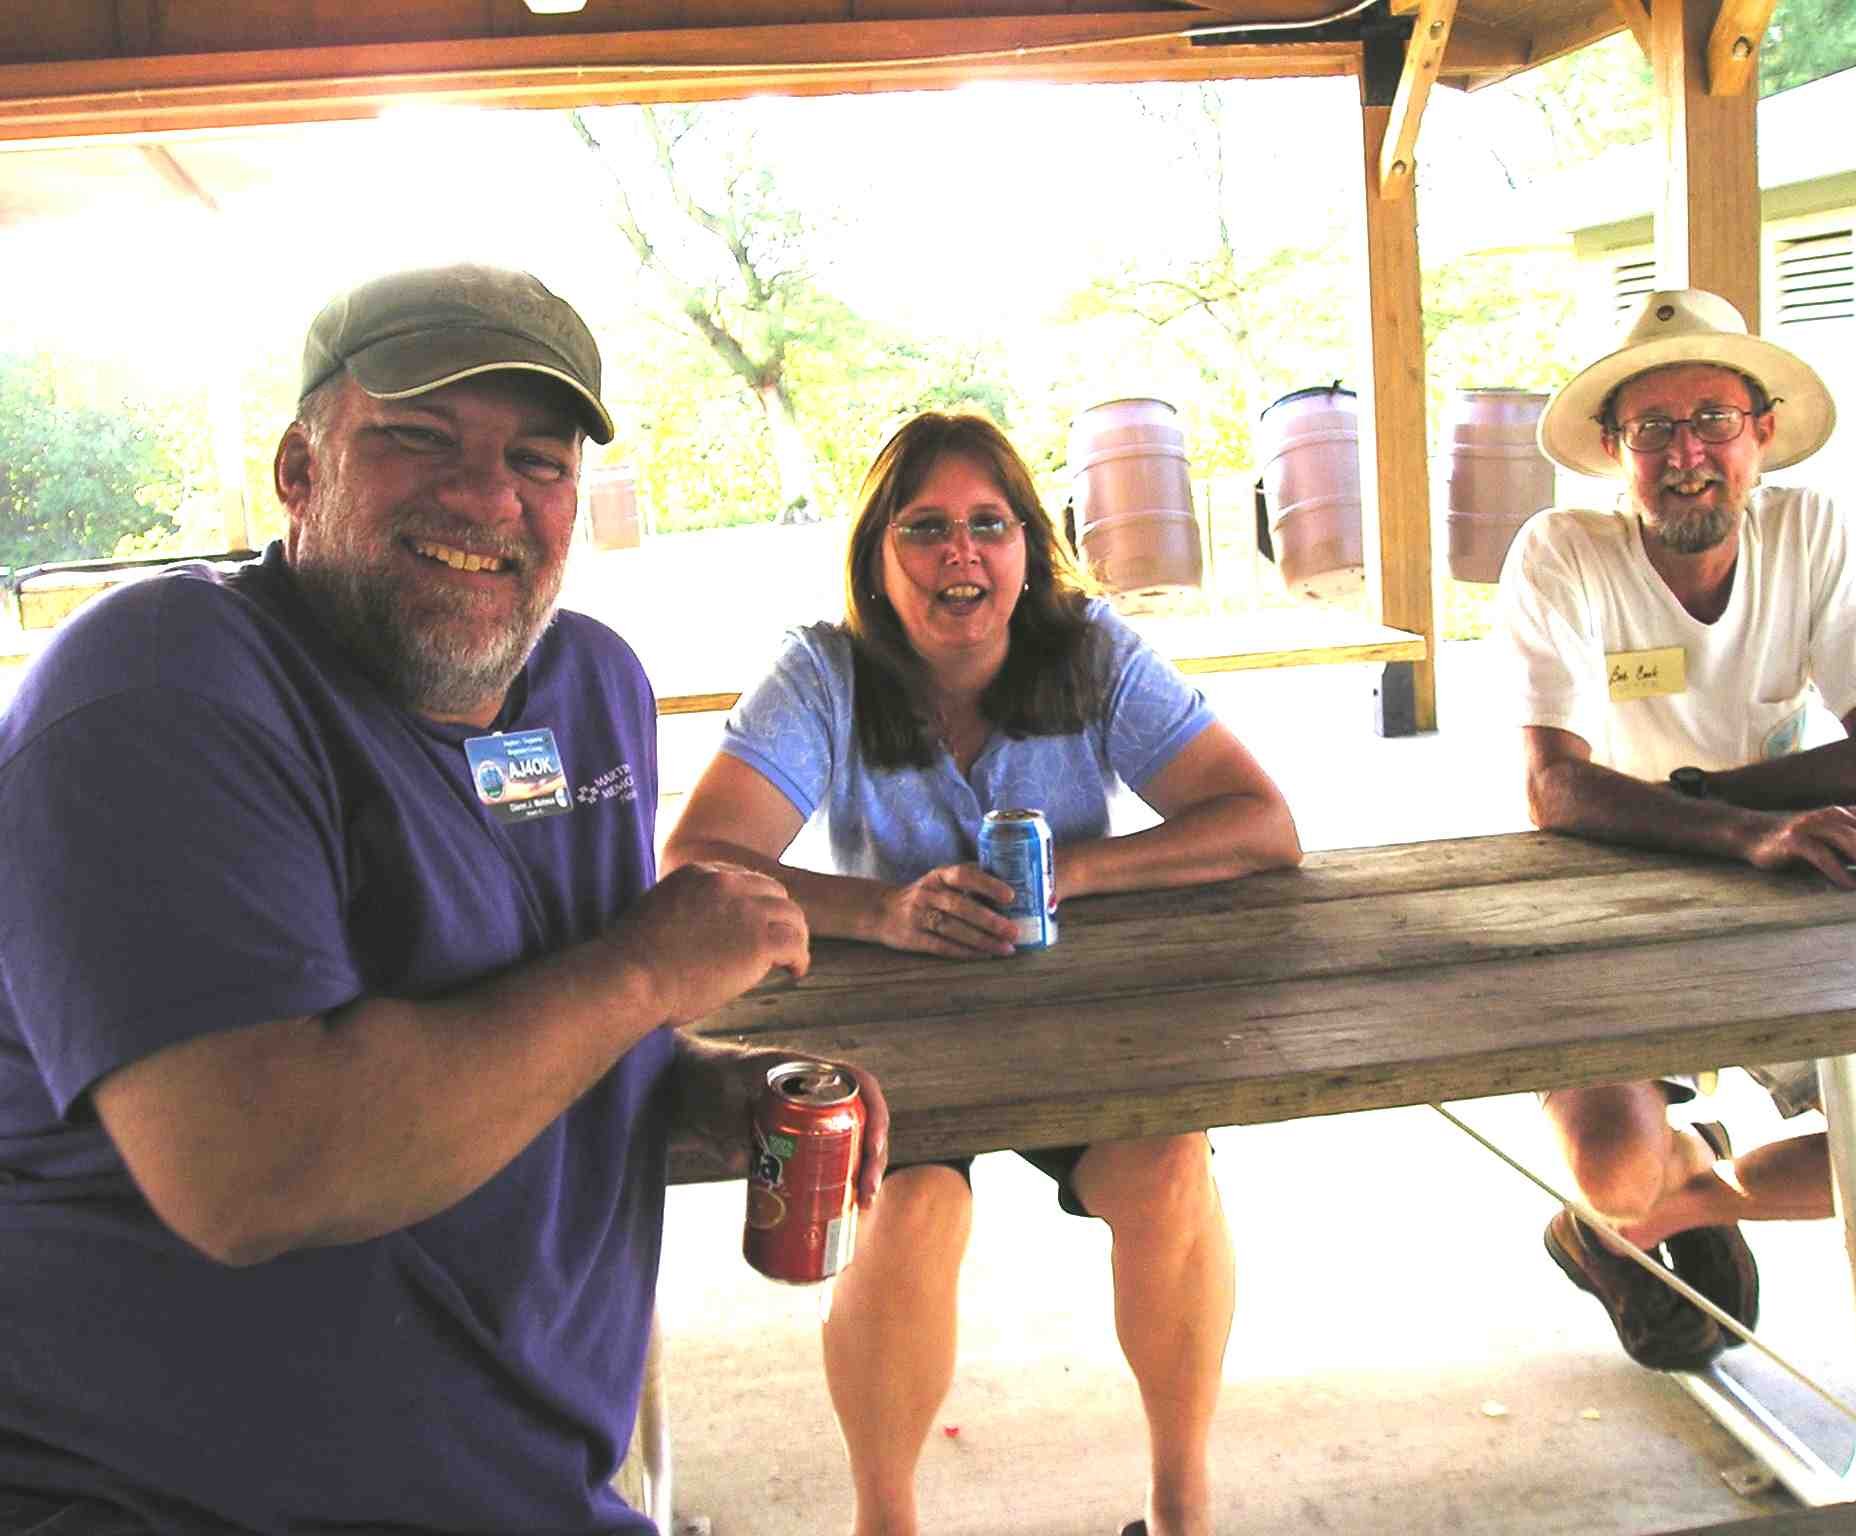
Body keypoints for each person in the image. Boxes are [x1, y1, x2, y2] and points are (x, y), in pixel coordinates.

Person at [0, 263, 885, 1534]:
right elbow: (258, 1168)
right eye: (416, 439)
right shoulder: (161, 685)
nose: (486, 496)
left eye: (538, 460)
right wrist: (647, 970)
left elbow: (530, 1017)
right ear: (298, 471)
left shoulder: (590, 687)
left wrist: (696, 1079)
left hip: (529, 1490)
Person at [665, 411, 1301, 1536]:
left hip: (1084, 1016)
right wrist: (880, 911)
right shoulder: (824, 673)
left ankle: (1180, 1504)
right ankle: (886, 1521)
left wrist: (1075, 874)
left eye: (989, 525)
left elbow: (1262, 824)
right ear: (876, 558)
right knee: (906, 1208)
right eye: (924, 528)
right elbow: (697, 861)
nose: (960, 553)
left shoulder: (1091, 652)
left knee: (1167, 1165)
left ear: (1028, 549)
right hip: (900, 1031)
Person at [1496, 288, 1856, 1373]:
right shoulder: (1560, 551)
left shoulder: (1810, 532)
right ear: (1612, 449)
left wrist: (1705, 806)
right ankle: (1634, 1192)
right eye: (1652, 428)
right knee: (1614, 1167)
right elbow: (1555, 790)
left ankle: (1664, 1211)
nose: (1686, 454)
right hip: (1600, 900)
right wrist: (1749, 826)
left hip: (1773, 895)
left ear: (1761, 430)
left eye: (1712, 419)